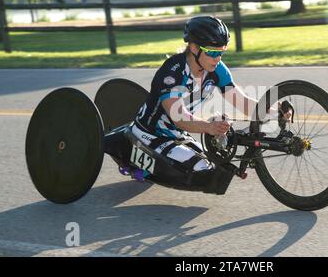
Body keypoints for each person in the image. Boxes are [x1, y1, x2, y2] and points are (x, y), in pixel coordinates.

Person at [122, 16, 292, 193]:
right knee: (204, 173)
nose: (217, 58)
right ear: (194, 47)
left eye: (221, 52)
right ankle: (136, 162)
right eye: (211, 52)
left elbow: (241, 102)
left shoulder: (217, 69)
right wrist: (209, 127)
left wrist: (275, 112)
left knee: (216, 168)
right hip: (149, 134)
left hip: (177, 134)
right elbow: (179, 117)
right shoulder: (173, 72)